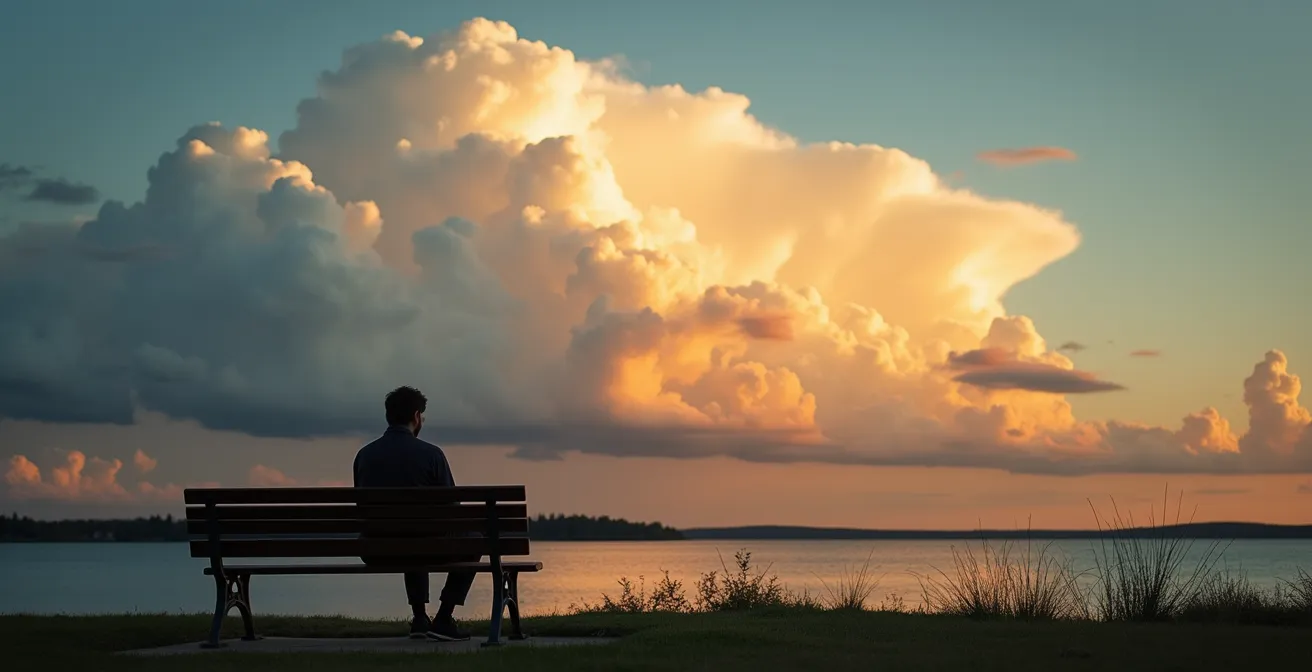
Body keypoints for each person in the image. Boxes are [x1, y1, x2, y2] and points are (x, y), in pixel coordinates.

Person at [353, 385, 475, 642]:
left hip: (376, 551)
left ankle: (420, 618)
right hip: (424, 546)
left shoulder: (364, 456)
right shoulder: (432, 455)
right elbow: (453, 512)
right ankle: (443, 618)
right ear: (417, 416)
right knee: (469, 538)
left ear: (389, 416)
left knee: (413, 533)